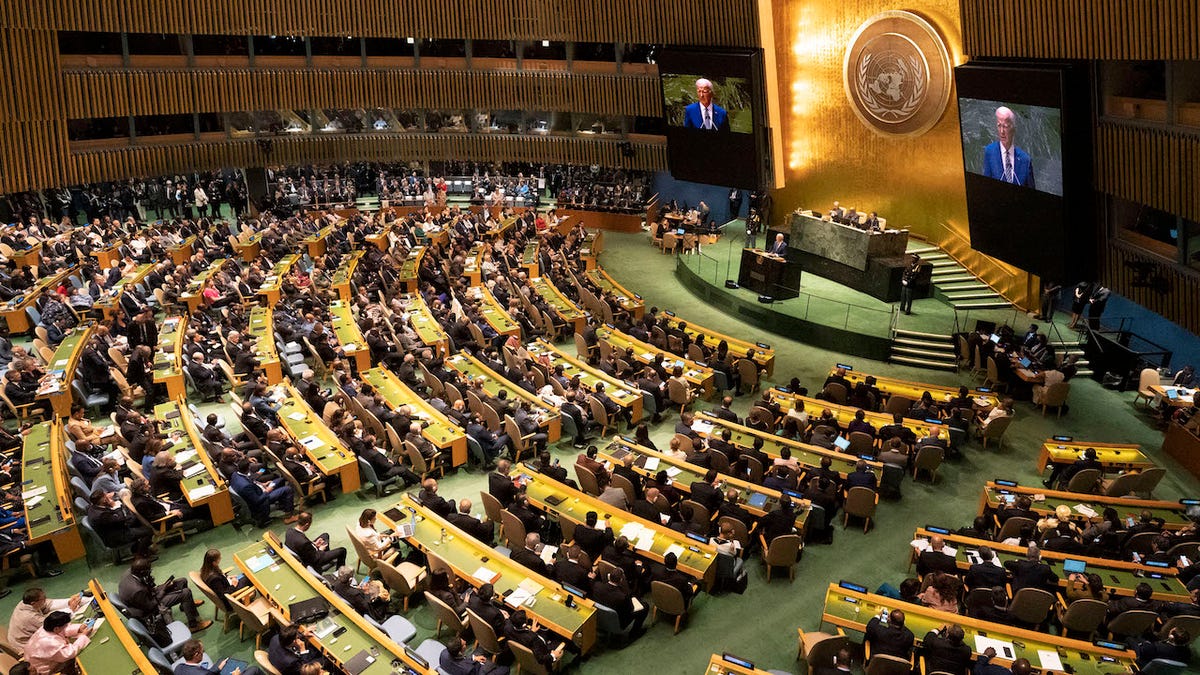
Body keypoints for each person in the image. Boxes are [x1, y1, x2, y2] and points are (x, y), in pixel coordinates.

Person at [118, 556, 213, 635]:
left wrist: (161, 586)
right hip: (148, 608)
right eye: (149, 570)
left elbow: (147, 588)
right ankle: (194, 625)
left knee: (182, 581)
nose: (150, 571)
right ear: (142, 572)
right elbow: (150, 606)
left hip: (148, 595)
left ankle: (186, 606)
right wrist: (162, 590)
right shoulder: (137, 590)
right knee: (186, 593)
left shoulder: (132, 571)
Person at [8, 588, 84, 655]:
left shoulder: (25, 602)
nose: (45, 600)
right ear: (33, 603)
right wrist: (71, 611)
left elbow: (47, 604)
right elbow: (52, 625)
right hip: (25, 645)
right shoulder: (30, 617)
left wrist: (69, 602)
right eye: (43, 599)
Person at [24, 611, 93, 675]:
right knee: (74, 659)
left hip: (32, 661)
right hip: (42, 670)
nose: (66, 626)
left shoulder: (47, 627)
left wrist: (79, 628)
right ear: (56, 628)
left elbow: (62, 631)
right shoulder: (50, 642)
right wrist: (83, 636)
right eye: (65, 625)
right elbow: (69, 653)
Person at [982, 106, 1035, 188]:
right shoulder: (989, 152)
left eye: (1005, 126)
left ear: (1014, 129)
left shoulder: (1025, 160)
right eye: (999, 126)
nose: (1001, 131)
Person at [175, 638, 262, 675]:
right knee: (254, 670)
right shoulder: (204, 674)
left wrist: (218, 668)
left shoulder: (178, 668)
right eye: (203, 651)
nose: (204, 653)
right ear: (196, 655)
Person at [439, 633, 510, 675]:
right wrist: (477, 663)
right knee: (505, 669)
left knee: (480, 649)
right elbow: (475, 670)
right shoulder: (469, 669)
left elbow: (461, 661)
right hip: (476, 672)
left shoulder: (444, 653)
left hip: (458, 669)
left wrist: (473, 659)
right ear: (460, 651)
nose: (465, 641)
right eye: (464, 644)